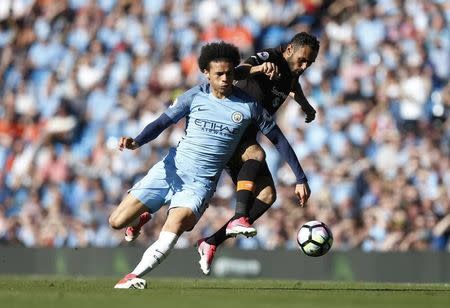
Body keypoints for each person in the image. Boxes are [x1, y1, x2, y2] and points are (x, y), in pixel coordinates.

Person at [111, 41, 310, 289]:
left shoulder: (249, 106)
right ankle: (139, 219)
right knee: (116, 222)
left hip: (200, 183)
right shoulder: (194, 96)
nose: (226, 79)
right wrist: (137, 141)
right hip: (169, 170)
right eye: (219, 74)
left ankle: (133, 275)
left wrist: (300, 178)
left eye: (229, 73)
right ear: (206, 73)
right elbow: (162, 123)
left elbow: (279, 139)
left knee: (177, 224)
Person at [196, 32, 319, 274]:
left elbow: (292, 85)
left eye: (309, 63)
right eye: (302, 60)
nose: (304, 66)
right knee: (256, 154)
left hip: (245, 138)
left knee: (267, 195)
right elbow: (236, 72)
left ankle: (210, 242)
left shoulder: (291, 74)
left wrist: (303, 104)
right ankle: (240, 216)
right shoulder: (271, 57)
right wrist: (259, 69)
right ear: (289, 50)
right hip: (227, 129)